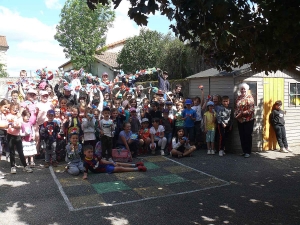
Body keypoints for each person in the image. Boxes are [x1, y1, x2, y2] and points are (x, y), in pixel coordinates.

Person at [82, 145, 146, 179]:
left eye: (91, 151)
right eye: (89, 152)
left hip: (105, 165)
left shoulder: (94, 155)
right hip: (104, 169)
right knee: (119, 168)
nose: (91, 153)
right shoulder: (86, 162)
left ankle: (135, 165)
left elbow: (102, 161)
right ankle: (137, 169)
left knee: (117, 163)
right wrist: (85, 176)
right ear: (85, 152)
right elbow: (85, 172)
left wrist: (111, 162)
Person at [7, 102, 33, 173]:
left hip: (17, 136)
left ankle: (25, 166)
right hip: (10, 135)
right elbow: (8, 122)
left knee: (21, 152)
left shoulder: (20, 117)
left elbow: (19, 126)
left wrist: (14, 124)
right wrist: (12, 123)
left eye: (16, 109)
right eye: (13, 109)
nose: (15, 110)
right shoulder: (9, 115)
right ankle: (12, 166)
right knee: (11, 151)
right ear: (10, 109)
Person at [234, 83, 255, 158]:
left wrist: (242, 113)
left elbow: (252, 109)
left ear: (247, 90)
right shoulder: (238, 98)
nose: (243, 90)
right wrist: (235, 114)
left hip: (248, 120)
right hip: (240, 120)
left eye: (244, 89)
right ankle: (244, 151)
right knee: (242, 135)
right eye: (241, 89)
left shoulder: (250, 97)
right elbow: (236, 108)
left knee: (247, 135)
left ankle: (248, 152)